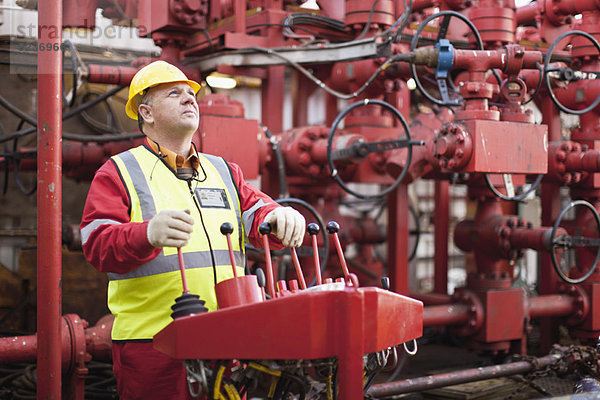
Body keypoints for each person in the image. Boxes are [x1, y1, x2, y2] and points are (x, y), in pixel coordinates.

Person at [80, 60, 306, 399]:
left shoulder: (223, 170)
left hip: (227, 340)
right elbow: (96, 244)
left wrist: (279, 215)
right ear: (147, 112)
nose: (190, 100)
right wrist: (147, 234)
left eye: (191, 94)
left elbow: (259, 214)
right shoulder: (119, 171)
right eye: (175, 94)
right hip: (154, 344)